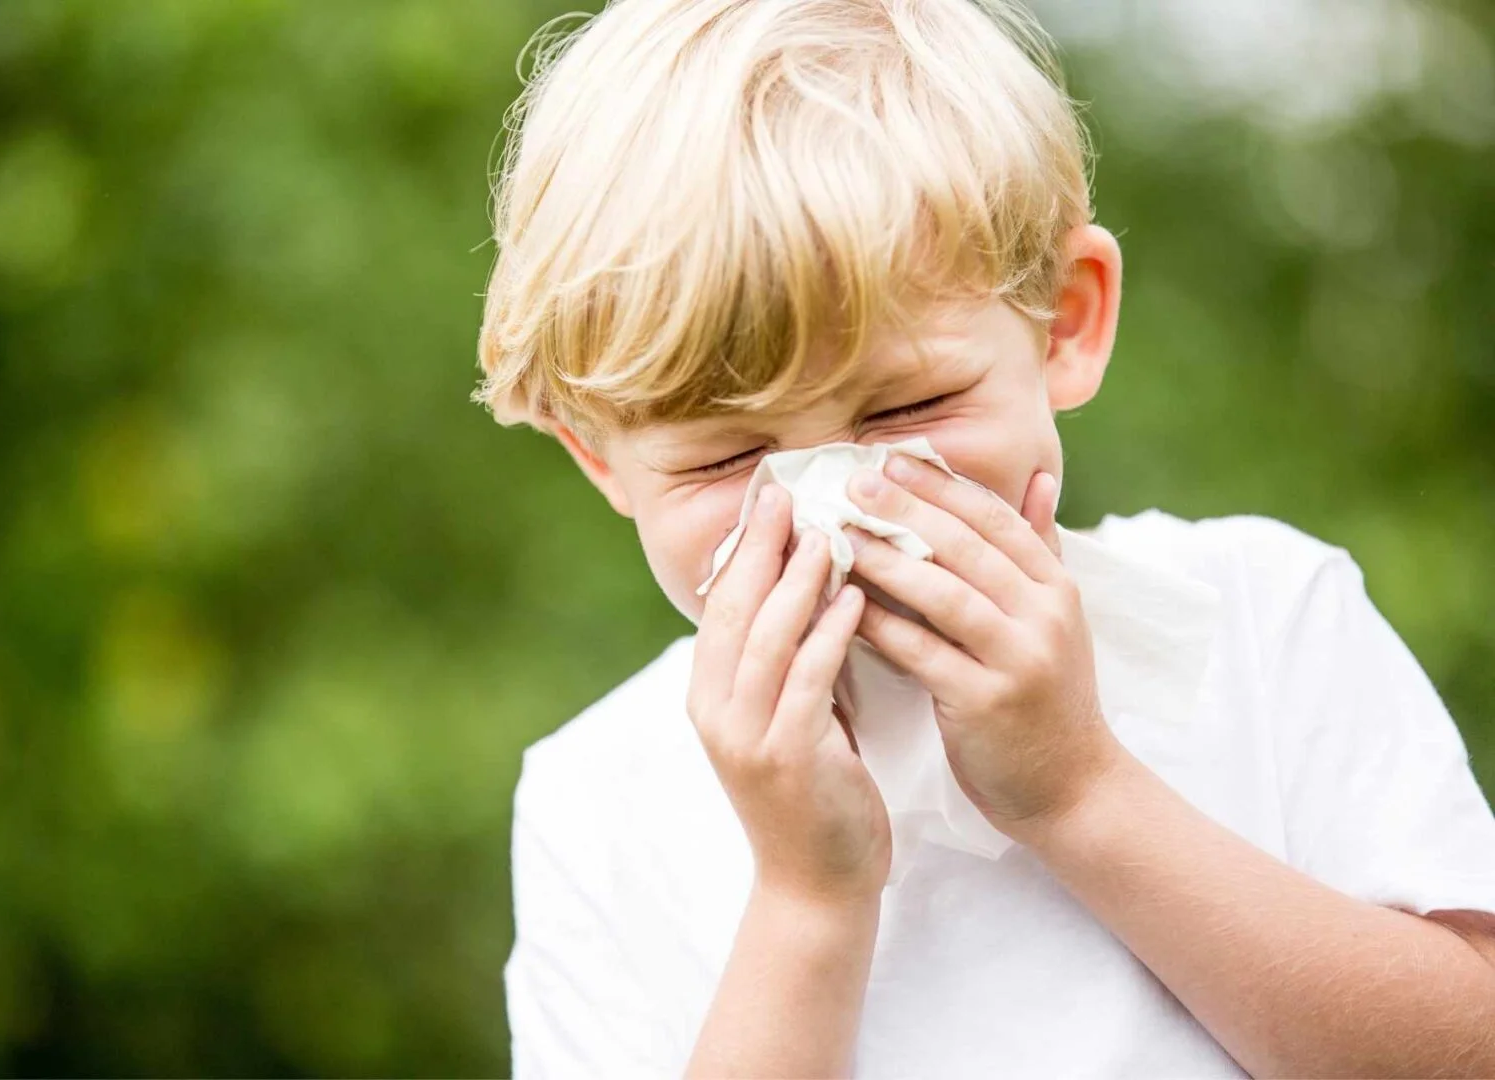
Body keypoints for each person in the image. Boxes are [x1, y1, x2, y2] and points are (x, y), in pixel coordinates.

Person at [473, 1, 1495, 1075]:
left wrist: (1080, 790)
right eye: (725, 458)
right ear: (603, 459)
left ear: (1065, 325)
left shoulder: (1255, 617)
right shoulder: (600, 796)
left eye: (907, 408)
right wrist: (807, 896)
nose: (836, 506)